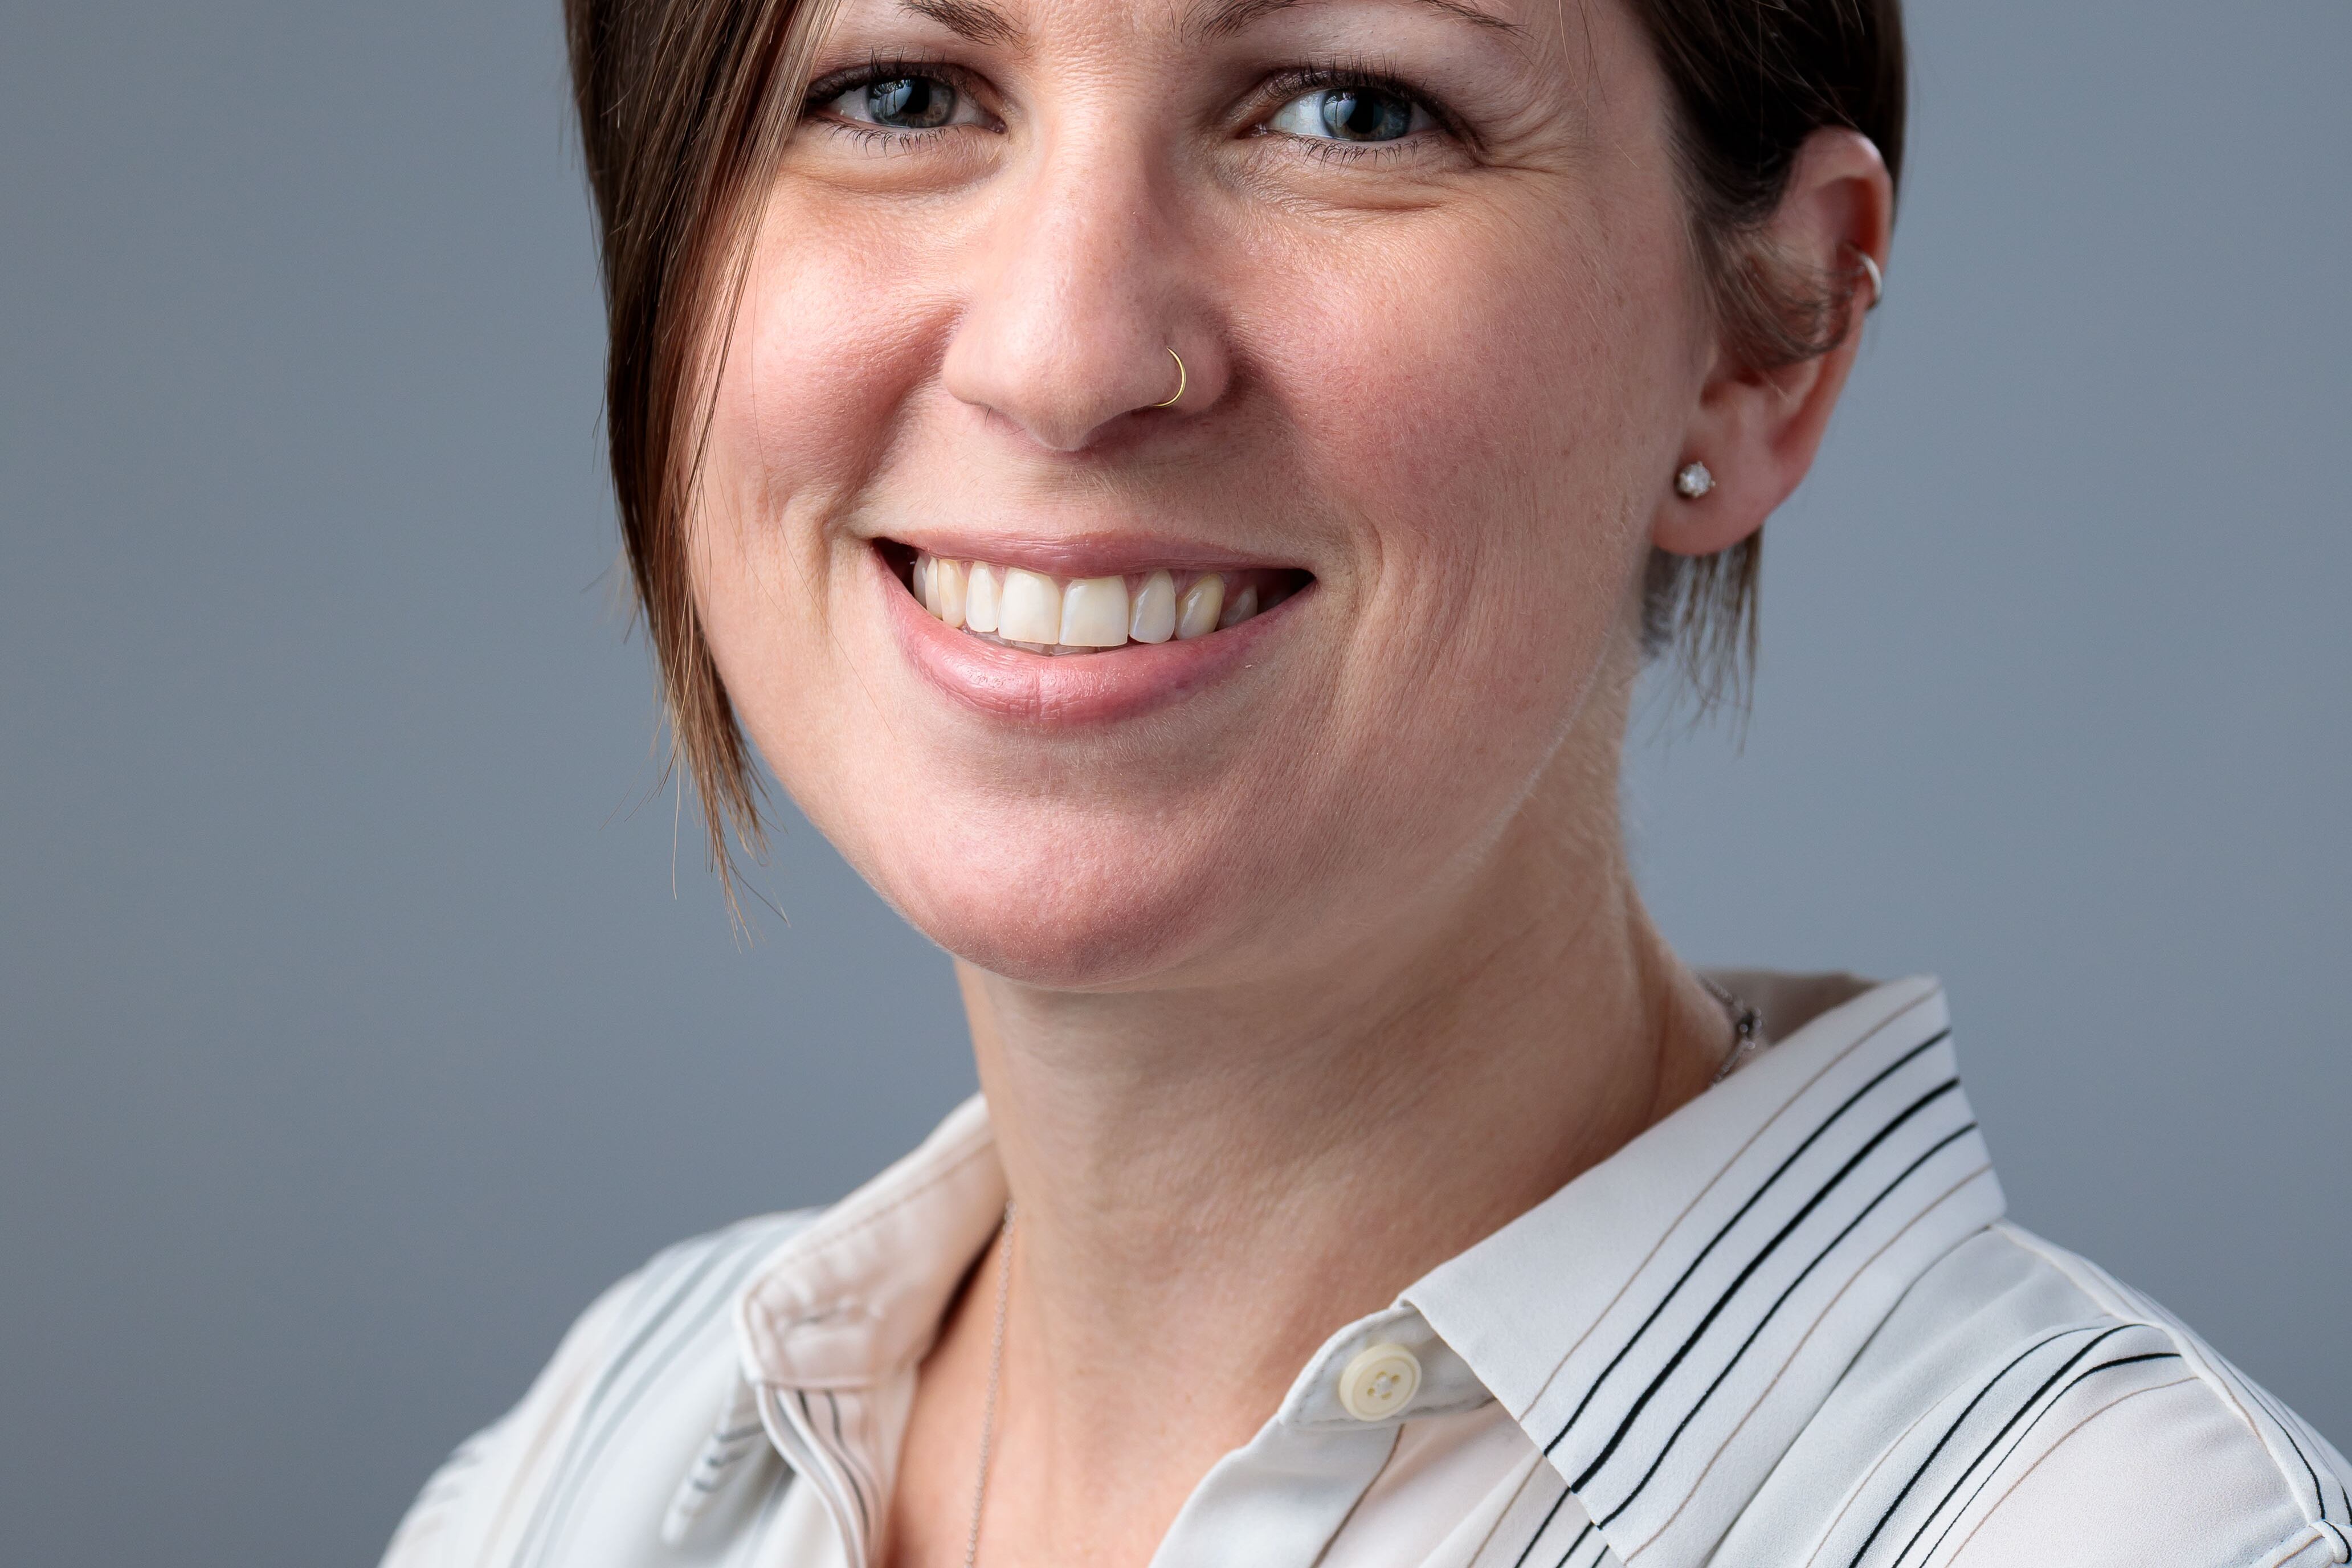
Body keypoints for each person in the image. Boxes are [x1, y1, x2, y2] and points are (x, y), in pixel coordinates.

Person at [383, 0, 2350, 1564]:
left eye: (1349, 109)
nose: (1069, 357)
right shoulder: (591, 1472)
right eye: (900, 89)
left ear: (1769, 340)